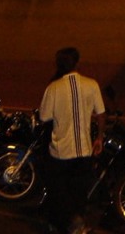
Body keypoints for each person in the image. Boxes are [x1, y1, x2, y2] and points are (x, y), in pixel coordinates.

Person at [39, 46, 106, 234]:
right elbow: (101, 114)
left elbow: (44, 117)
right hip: (84, 150)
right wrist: (99, 137)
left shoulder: (53, 87)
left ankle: (64, 223)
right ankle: (77, 221)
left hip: (60, 151)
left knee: (59, 190)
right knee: (79, 191)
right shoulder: (91, 84)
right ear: (77, 63)